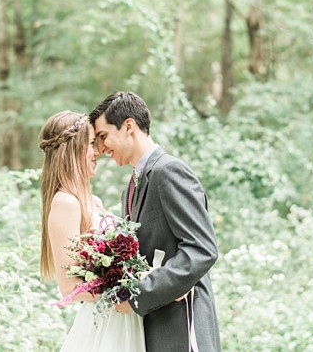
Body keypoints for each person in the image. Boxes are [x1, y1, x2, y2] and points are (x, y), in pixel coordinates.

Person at [89, 92, 222, 352]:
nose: (100, 148)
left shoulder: (169, 171)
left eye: (103, 136)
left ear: (129, 127)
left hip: (182, 327)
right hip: (149, 329)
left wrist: (138, 293)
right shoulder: (129, 190)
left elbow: (202, 250)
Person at [39, 111, 146, 352]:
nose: (97, 152)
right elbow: (69, 288)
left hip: (124, 319)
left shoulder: (92, 201)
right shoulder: (65, 203)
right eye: (90, 144)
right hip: (105, 325)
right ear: (72, 151)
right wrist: (128, 285)